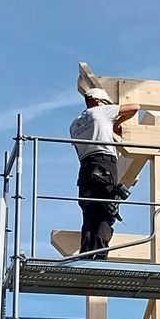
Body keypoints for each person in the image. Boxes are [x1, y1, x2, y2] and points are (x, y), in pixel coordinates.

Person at [69, 84, 139, 256]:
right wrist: (117, 123)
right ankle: (100, 254)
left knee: (89, 213)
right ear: (99, 101)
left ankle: (86, 254)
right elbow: (135, 107)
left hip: (85, 169)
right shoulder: (101, 111)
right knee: (107, 210)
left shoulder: (74, 125)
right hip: (104, 163)